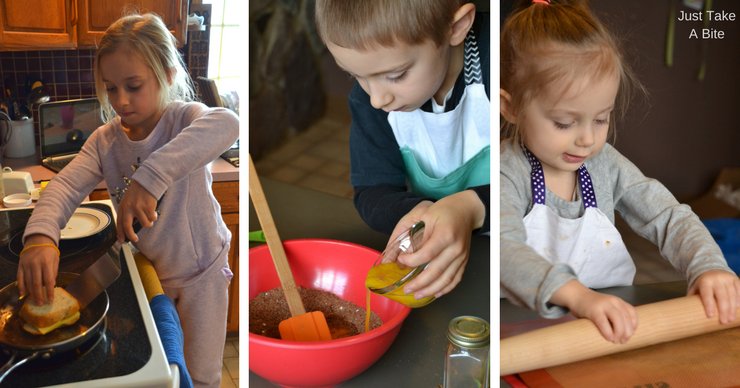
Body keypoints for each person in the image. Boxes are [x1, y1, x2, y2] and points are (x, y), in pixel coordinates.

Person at [17, 13, 238, 387]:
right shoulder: (105, 140)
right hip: (149, 274)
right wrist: (40, 235)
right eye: (111, 88)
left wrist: (149, 178)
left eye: (134, 86)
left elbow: (228, 123)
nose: (121, 100)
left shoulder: (184, 120)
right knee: (165, 367)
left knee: (200, 375)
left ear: (167, 74)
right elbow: (65, 187)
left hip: (203, 275)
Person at [500, 0, 740, 344]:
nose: (586, 139)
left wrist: (710, 266)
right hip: (523, 329)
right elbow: (505, 250)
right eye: (564, 122)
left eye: (601, 118)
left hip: (609, 328)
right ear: (511, 107)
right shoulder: (509, 173)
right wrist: (579, 297)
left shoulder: (605, 164)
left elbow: (669, 216)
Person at [314, 0, 490, 302]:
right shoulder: (371, 98)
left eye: (395, 76)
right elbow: (372, 189)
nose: (377, 99)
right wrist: (416, 211)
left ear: (456, 27)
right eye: (355, 75)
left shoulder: (506, 62)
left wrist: (471, 207)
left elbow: (547, 176)